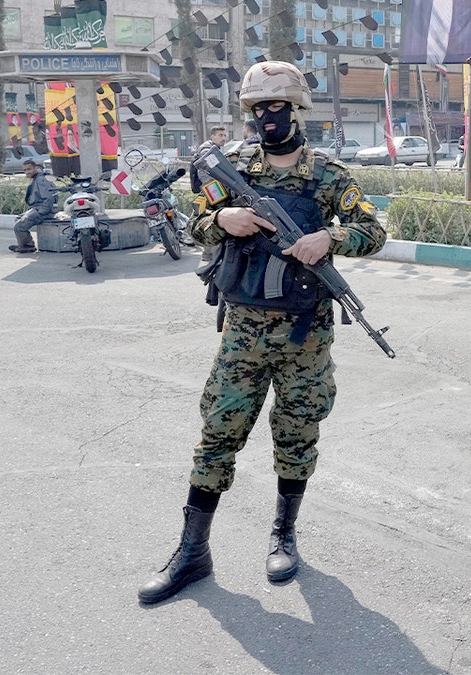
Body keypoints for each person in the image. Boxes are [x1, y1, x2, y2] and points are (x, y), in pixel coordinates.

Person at [137, 61, 387, 604]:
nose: (267, 119)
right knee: (218, 433)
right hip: (243, 331)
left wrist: (330, 238)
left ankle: (284, 534)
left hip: (305, 335)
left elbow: (373, 231)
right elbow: (195, 222)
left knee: (297, 433)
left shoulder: (328, 176)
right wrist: (221, 221)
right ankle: (192, 552)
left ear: (298, 112)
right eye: (258, 110)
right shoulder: (234, 169)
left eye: (277, 109)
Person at [8, 159, 57, 254]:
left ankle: (27, 246)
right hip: (38, 208)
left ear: (35, 168)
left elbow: (48, 198)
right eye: (25, 170)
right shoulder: (38, 179)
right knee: (19, 218)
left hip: (44, 210)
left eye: (29, 169)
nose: (27, 172)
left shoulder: (41, 180)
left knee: (19, 226)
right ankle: (25, 243)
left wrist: (41, 212)